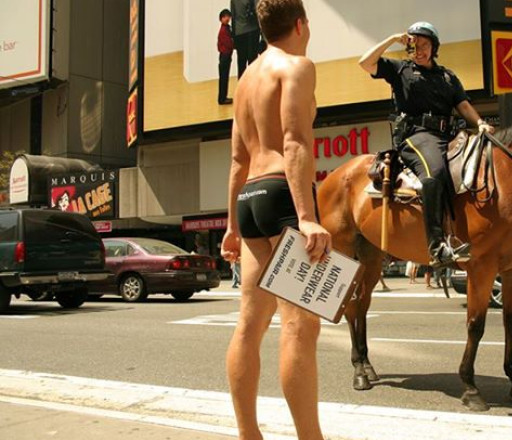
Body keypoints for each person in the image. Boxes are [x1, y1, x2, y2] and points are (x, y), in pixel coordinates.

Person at [220, 1, 330, 439]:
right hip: (283, 197)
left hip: (249, 199)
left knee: (250, 322)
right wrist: (306, 216)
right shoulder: (297, 66)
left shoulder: (245, 79)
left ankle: (249, 434)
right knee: (300, 325)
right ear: (300, 23)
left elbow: (235, 160)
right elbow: (295, 141)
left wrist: (231, 224)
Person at [358, 22, 494, 268]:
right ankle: (437, 246)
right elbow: (365, 63)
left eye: (424, 45)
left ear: (434, 47)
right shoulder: (399, 69)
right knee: (434, 174)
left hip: (451, 136)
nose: (419, 50)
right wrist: (391, 38)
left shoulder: (448, 76)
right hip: (417, 135)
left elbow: (463, 106)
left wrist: (481, 123)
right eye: (414, 46)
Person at [231, 0, 265, 78]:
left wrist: (234, 36)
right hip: (253, 30)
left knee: (241, 62)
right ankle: (252, 86)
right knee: (252, 61)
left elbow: (233, 16)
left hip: (239, 31)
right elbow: (259, 14)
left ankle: (241, 86)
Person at [217, 9, 234, 105]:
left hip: (226, 56)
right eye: (225, 17)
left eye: (228, 16)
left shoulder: (227, 28)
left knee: (224, 78)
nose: (227, 18)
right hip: (224, 57)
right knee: (223, 78)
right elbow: (228, 44)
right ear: (221, 18)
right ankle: (222, 99)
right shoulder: (223, 30)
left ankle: (223, 98)